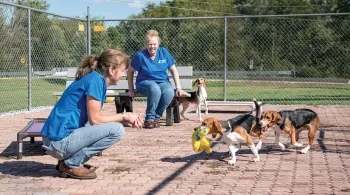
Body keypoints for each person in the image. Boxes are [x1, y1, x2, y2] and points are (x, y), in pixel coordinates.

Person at [40, 49, 144, 180]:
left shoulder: (95, 79)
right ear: (112, 70)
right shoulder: (95, 81)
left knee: (115, 126)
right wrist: (125, 116)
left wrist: (126, 120)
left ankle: (69, 161)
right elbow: (95, 120)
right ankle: (71, 163)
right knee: (117, 130)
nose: (124, 74)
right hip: (57, 142)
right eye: (122, 70)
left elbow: (93, 121)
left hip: (55, 141)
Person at [127, 30, 184, 129]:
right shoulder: (140, 56)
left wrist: (178, 87)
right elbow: (130, 71)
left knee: (169, 91)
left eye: (154, 44)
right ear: (146, 45)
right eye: (149, 44)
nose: (152, 47)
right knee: (155, 88)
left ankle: (156, 118)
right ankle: (149, 119)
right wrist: (131, 89)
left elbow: (173, 70)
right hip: (144, 83)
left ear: (158, 44)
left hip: (162, 81)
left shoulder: (164, 52)